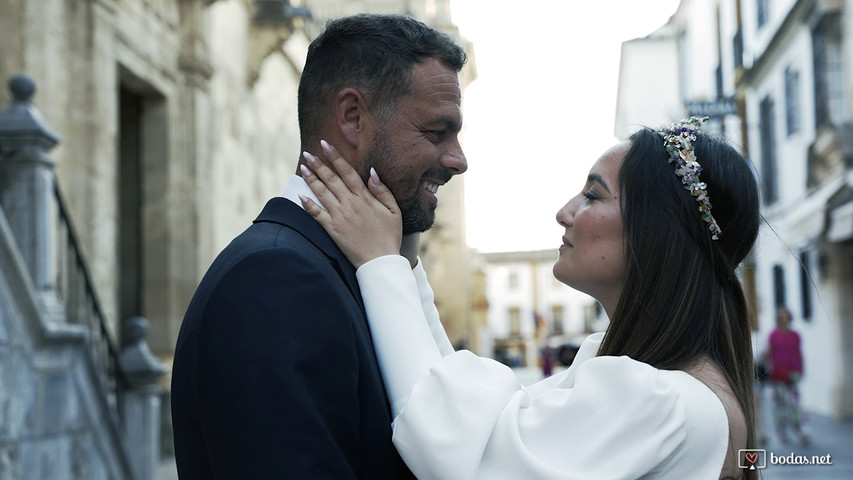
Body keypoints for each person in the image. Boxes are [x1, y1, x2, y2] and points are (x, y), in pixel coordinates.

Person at [299, 116, 761, 479]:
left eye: (593, 196)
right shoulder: (659, 380)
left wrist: (380, 265)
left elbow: (464, 453)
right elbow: (479, 419)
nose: (565, 212)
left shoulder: (660, 399)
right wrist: (406, 260)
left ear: (656, 230)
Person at [170, 13, 467, 479]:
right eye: (436, 132)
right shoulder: (275, 280)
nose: (458, 159)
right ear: (352, 116)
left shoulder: (345, 268)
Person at [765, 305, 808, 444]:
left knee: (795, 403)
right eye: (781, 315)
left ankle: (801, 430)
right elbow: (769, 353)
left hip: (792, 373)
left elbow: (799, 353)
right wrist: (766, 372)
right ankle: (781, 432)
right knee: (779, 404)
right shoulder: (773, 334)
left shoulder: (795, 335)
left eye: (786, 315)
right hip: (777, 374)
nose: (784, 318)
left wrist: (801, 370)